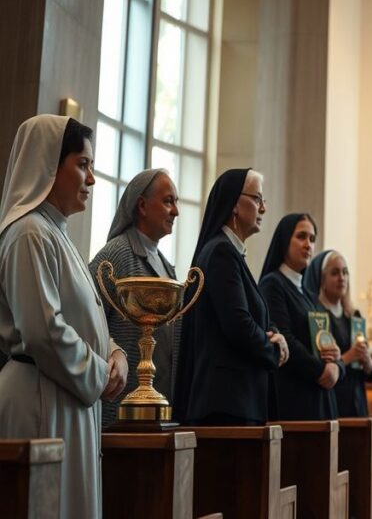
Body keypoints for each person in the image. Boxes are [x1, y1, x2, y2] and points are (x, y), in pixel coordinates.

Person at [0, 115, 129, 518]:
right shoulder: (29, 234)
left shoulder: (57, 234)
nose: (91, 179)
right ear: (48, 164)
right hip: (42, 398)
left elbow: (84, 317)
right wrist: (100, 373)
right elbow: (43, 331)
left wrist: (116, 353)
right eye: (83, 164)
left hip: (67, 393)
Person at [173, 169, 288, 425]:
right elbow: (238, 324)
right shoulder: (221, 253)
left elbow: (252, 314)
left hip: (236, 403)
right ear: (235, 204)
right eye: (257, 199)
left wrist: (274, 332)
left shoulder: (229, 253)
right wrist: (273, 349)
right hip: (227, 406)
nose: (264, 208)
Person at [90, 168, 180, 428]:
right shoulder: (115, 254)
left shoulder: (167, 266)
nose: (176, 212)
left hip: (159, 406)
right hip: (119, 409)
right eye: (168, 201)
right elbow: (86, 318)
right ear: (141, 205)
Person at [259, 214, 341, 420]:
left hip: (319, 395)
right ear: (285, 240)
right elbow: (284, 337)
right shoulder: (273, 284)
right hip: (294, 398)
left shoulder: (310, 295)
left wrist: (336, 363)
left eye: (312, 239)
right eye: (301, 237)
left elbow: (325, 341)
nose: (308, 244)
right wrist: (321, 371)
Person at [303, 250, 372, 417]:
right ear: (322, 280)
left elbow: (367, 370)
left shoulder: (354, 316)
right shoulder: (318, 316)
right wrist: (349, 356)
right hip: (333, 398)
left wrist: (368, 361)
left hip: (357, 399)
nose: (342, 278)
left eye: (345, 272)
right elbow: (322, 363)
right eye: (335, 273)